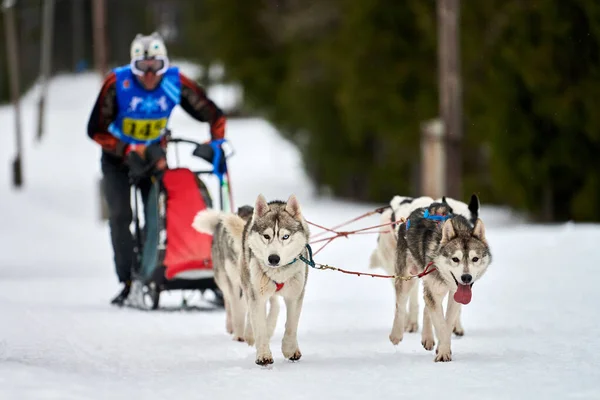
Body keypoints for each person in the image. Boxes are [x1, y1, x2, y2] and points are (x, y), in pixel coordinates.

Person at [87, 32, 226, 305]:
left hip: (153, 157)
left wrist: (217, 143)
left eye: (156, 67)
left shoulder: (175, 83)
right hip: (117, 158)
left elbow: (214, 114)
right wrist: (126, 149)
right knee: (120, 215)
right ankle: (128, 281)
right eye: (142, 68)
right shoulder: (117, 83)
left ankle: (153, 268)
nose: (149, 75)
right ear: (132, 66)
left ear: (165, 65)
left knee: (158, 212)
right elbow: (95, 130)